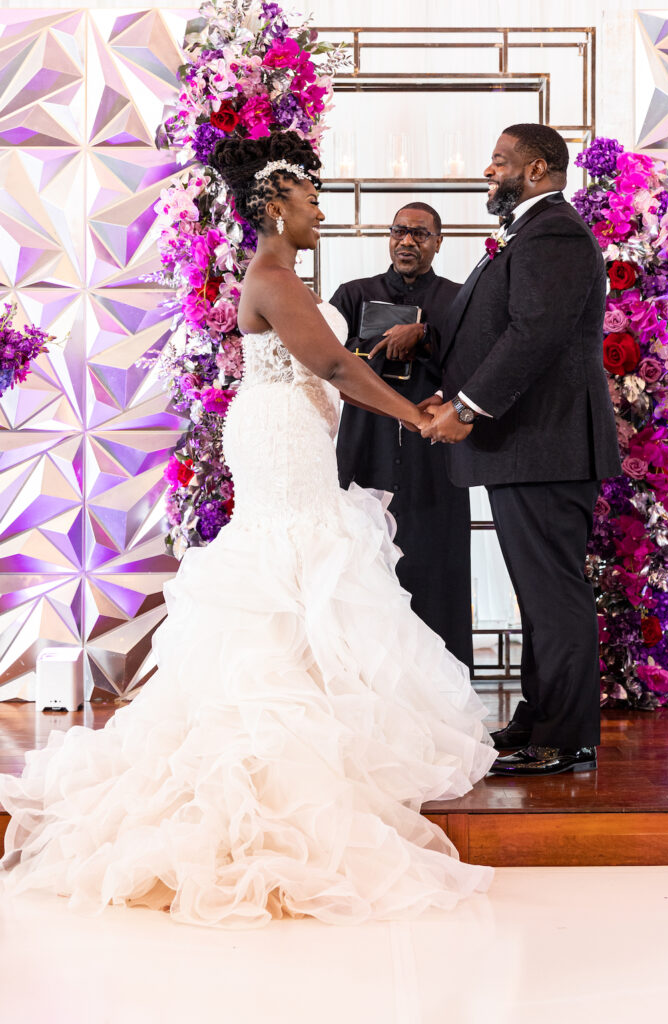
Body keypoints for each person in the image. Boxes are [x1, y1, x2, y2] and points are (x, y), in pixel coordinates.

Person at [0, 131, 496, 927]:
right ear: (273, 207)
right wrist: (417, 417)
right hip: (281, 440)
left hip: (285, 431)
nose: (320, 212)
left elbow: (331, 367)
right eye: (308, 201)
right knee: (298, 560)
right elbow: (336, 366)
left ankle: (312, 723)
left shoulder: (280, 275)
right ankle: (280, 739)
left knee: (304, 566)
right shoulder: (274, 277)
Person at [422, 123, 621, 777]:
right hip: (530, 447)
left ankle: (565, 738)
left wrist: (468, 408)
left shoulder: (554, 232)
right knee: (537, 593)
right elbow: (496, 325)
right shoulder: (531, 233)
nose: (488, 169)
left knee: (552, 593)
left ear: (536, 170)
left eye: (500, 161)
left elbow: (533, 333)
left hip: (545, 445)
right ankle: (538, 716)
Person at [332, 205, 472, 668]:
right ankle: (365, 680)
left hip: (432, 448)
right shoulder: (353, 295)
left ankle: (446, 685)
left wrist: (426, 336)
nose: (407, 241)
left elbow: (474, 369)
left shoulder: (457, 300)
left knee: (437, 562)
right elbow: (325, 363)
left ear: (439, 241)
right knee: (363, 565)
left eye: (420, 233)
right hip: (363, 442)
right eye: (399, 231)